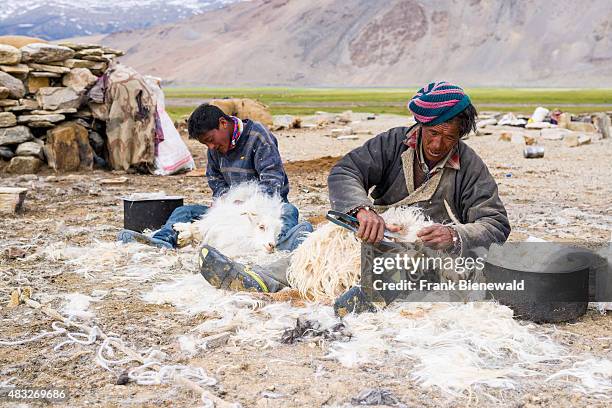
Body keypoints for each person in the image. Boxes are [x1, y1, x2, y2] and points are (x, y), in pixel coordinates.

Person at [328, 81, 511, 314]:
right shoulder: (392, 144)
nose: (437, 144)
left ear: (460, 135)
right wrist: (362, 210)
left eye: (449, 137)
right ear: (421, 124)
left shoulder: (471, 166)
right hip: (378, 238)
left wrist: (455, 236)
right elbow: (345, 171)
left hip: (431, 258)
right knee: (320, 259)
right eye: (433, 133)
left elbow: (495, 223)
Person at [117, 104, 313, 254]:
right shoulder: (215, 149)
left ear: (223, 123)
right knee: (184, 212)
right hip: (231, 212)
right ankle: (162, 240)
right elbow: (216, 181)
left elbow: (272, 181)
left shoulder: (258, 137)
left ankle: (282, 243)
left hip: (265, 210)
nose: (210, 147)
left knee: (289, 210)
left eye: (210, 140)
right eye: (205, 143)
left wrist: (248, 206)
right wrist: (225, 203)